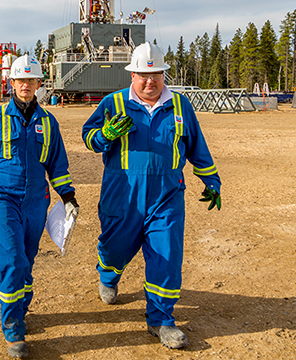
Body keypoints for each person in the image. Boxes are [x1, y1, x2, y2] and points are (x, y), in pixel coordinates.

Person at [81, 42, 221, 349]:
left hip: (167, 194)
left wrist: (211, 180)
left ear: (163, 74)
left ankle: (161, 320)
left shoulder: (181, 106)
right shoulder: (113, 103)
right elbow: (88, 137)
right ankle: (108, 273)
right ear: (132, 75)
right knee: (115, 248)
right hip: (123, 194)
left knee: (166, 255)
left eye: (156, 74)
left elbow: (197, 145)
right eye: (143, 75)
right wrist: (105, 135)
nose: (150, 81)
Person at [0, 54, 79, 358]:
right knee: (12, 258)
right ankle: (12, 327)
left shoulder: (49, 123)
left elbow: (58, 166)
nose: (25, 85)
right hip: (3, 198)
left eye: (31, 80)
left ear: (39, 83)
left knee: (27, 259)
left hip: (37, 201)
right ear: (11, 83)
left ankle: (21, 308)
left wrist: (68, 197)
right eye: (20, 80)